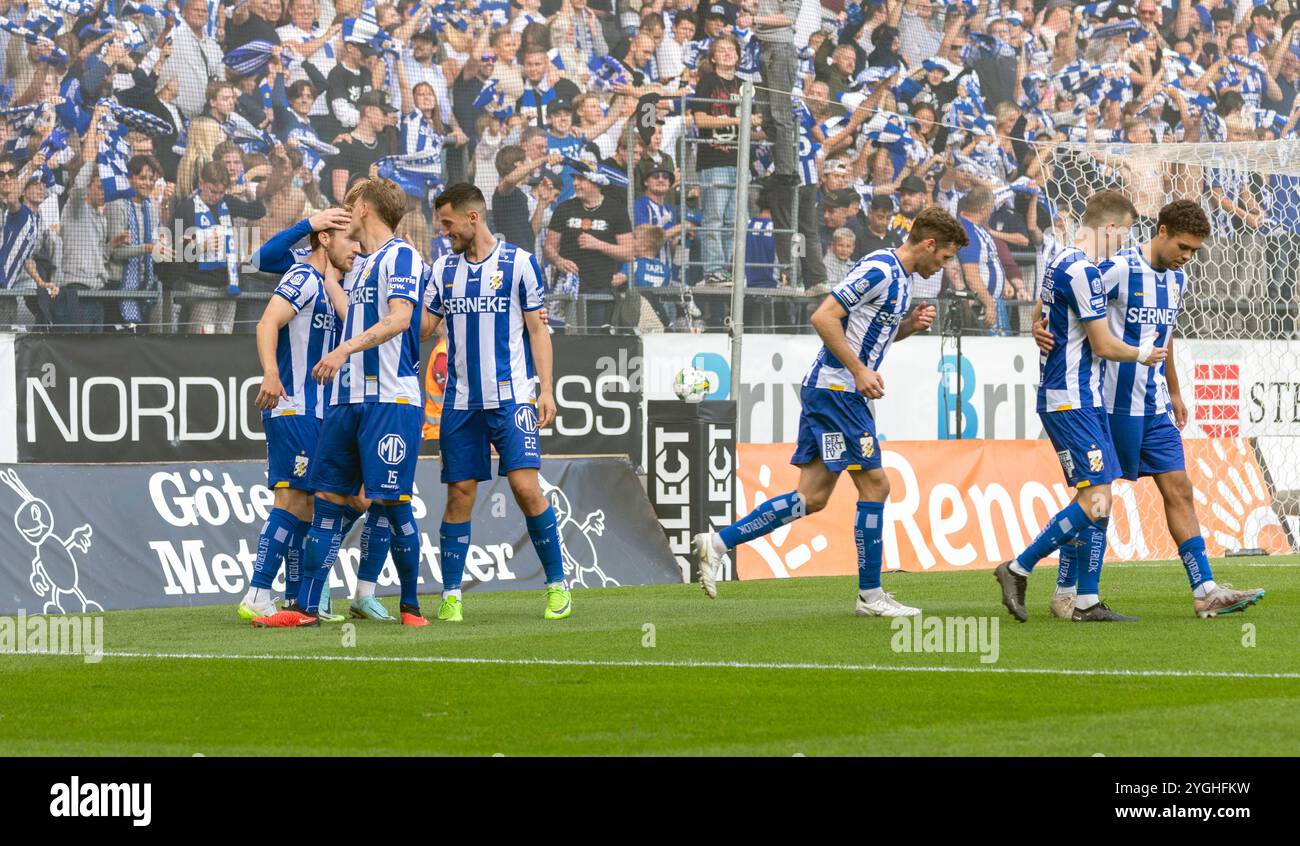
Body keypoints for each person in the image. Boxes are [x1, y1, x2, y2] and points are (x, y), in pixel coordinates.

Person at [692, 207, 968, 613]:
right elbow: (823, 316)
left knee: (813, 497)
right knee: (876, 485)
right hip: (837, 391)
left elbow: (868, 335)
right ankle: (870, 596)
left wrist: (907, 327)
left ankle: (716, 543)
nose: (943, 267)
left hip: (837, 392)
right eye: (944, 258)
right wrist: (858, 371)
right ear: (929, 244)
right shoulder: (880, 269)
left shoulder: (903, 281)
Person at [1032, 200, 1265, 619]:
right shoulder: (1117, 268)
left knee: (1180, 489)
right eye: (1183, 246)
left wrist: (1175, 391)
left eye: (1194, 251)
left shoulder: (1178, 280)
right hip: (1111, 404)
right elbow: (1061, 292)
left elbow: (1165, 335)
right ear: (1160, 231)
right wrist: (1037, 322)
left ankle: (1205, 588)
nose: (1186, 256)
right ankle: (1071, 589)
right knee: (1097, 497)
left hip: (1155, 406)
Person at [254, 177, 429, 628]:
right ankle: (306, 608)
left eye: (349, 207)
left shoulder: (400, 256)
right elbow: (264, 260)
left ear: (365, 209)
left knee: (389, 502)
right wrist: (313, 232)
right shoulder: (359, 264)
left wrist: (344, 349)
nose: (343, 213)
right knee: (328, 501)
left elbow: (402, 318)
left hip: (390, 400)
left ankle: (410, 607)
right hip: (345, 402)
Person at [993, 190, 1169, 624]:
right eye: (1125, 234)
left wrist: (1039, 327)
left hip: (1076, 398)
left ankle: (1082, 598)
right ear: (1109, 228)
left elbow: (1040, 312)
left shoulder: (1057, 261)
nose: (1126, 243)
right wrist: (1144, 353)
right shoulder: (1085, 272)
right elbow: (1103, 344)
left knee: (1097, 496)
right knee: (1095, 502)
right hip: (1071, 399)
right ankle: (1018, 568)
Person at [420, 182, 570, 622]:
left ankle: (557, 586)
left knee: (526, 488)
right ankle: (451, 595)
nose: (444, 232)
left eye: (448, 224)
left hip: (513, 400)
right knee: (459, 495)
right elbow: (425, 327)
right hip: (461, 404)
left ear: (473, 218)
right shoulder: (442, 270)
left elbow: (538, 330)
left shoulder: (519, 263)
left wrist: (546, 388)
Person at [240, 211, 368, 621]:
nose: (358, 249)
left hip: (321, 412)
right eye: (351, 240)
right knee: (294, 499)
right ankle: (259, 593)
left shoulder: (334, 283)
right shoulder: (301, 277)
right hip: (295, 405)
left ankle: (300, 598)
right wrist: (272, 373)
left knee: (326, 502)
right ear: (326, 238)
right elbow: (266, 319)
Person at [545, 167, 634, 329]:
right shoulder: (564, 208)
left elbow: (628, 253)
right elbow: (549, 247)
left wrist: (597, 244)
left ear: (596, 182)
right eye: (574, 179)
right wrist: (558, 260)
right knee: (565, 336)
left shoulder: (616, 210)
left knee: (595, 337)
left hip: (600, 288)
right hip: (567, 288)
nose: (575, 183)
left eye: (581, 179)